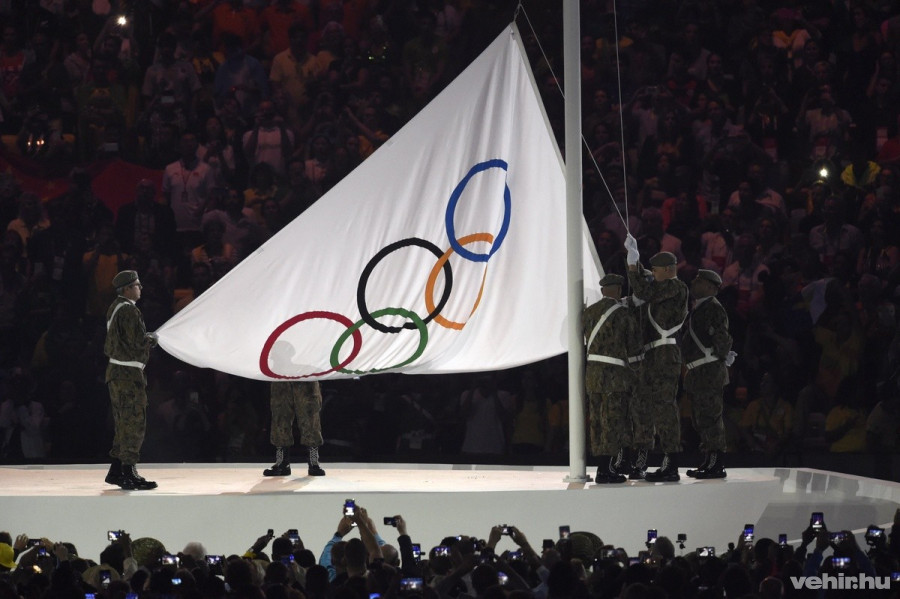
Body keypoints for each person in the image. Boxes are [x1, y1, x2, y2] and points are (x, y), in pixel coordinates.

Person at [625, 235, 689, 482]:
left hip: (665, 352)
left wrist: (634, 266)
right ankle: (641, 457)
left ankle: (671, 461)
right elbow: (646, 288)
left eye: (655, 270)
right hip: (650, 354)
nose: (653, 273)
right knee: (641, 404)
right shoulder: (661, 288)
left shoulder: (676, 287)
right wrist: (636, 263)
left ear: (668, 270)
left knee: (664, 406)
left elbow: (645, 290)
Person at [104, 270, 159, 490]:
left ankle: (117, 470)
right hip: (127, 374)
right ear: (127, 289)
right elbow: (135, 342)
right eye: (137, 285)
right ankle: (128, 472)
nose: (140, 288)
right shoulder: (128, 310)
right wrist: (150, 339)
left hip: (119, 372)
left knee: (123, 422)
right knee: (133, 422)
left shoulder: (115, 307)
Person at [583, 273, 640, 483]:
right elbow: (634, 348)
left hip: (593, 375)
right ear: (618, 290)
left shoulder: (588, 313)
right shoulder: (623, 314)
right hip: (615, 376)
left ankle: (603, 464)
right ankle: (606, 469)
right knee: (613, 421)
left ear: (602, 291)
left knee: (597, 421)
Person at [682, 269, 735, 479]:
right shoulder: (700, 308)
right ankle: (708, 458)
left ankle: (716, 461)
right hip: (699, 371)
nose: (694, 282)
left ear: (711, 287)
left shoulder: (713, 308)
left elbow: (722, 339)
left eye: (699, 280)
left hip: (708, 371)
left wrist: (721, 355)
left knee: (711, 417)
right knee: (701, 418)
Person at [263, 374, 326, 477]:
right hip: (281, 374)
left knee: (310, 416)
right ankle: (282, 462)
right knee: (280, 416)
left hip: (306, 374)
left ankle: (313, 461)